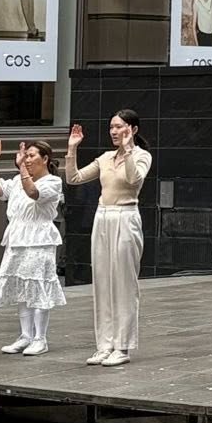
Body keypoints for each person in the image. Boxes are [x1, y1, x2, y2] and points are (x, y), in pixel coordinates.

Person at [65, 110, 151, 366]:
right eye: (111, 126)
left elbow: (134, 179)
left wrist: (128, 151)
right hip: (102, 216)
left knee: (124, 283)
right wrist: (72, 149)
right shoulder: (105, 158)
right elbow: (74, 178)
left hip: (126, 216)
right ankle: (104, 345)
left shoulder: (142, 156)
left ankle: (122, 346)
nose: (114, 131)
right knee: (102, 281)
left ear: (132, 129)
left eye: (119, 126)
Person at [0, 138, 65, 356]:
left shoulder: (52, 182)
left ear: (45, 159)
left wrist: (21, 167)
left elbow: (33, 193)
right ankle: (26, 335)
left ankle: (40, 338)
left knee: (38, 286)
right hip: (17, 238)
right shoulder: (16, 181)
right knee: (21, 286)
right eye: (25, 156)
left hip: (39, 238)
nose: (27, 160)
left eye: (32, 156)